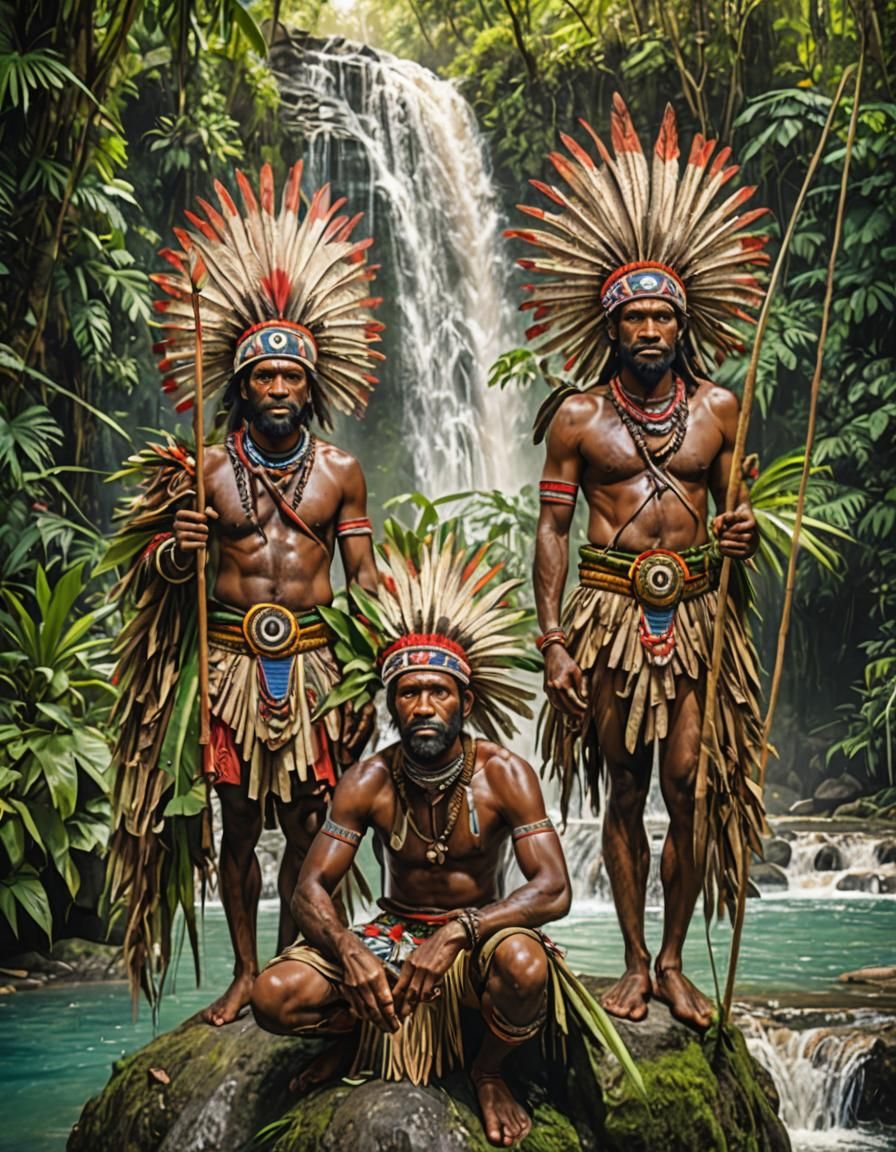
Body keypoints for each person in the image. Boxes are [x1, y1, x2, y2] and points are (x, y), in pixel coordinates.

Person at [507, 95, 768, 1031]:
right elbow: (551, 533)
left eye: (664, 316)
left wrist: (737, 531)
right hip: (612, 614)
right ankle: (626, 960)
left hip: (695, 614)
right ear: (610, 327)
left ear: (684, 321)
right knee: (622, 783)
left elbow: (737, 511)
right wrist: (551, 640)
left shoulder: (721, 411)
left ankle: (671, 957)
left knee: (690, 784)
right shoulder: (578, 419)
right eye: (636, 319)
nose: (651, 331)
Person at [104, 162, 384, 1023]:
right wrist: (177, 552)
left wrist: (370, 670)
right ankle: (240, 967)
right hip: (227, 663)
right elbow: (155, 576)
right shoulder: (206, 470)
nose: (277, 390)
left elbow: (364, 578)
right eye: (262, 378)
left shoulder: (341, 472)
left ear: (312, 384)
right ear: (241, 385)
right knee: (234, 823)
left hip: (311, 665)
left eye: (291, 378)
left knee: (307, 823)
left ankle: (301, 965)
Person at [250, 532, 641, 1148]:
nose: (424, 706)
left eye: (439, 691)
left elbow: (555, 889)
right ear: (392, 705)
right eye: (409, 693)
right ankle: (361, 1031)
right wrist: (350, 949)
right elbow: (309, 890)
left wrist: (460, 930)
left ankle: (488, 1070)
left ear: (466, 700)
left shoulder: (505, 774)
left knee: (525, 966)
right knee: (272, 996)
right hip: (393, 937)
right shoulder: (369, 780)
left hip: (479, 938)